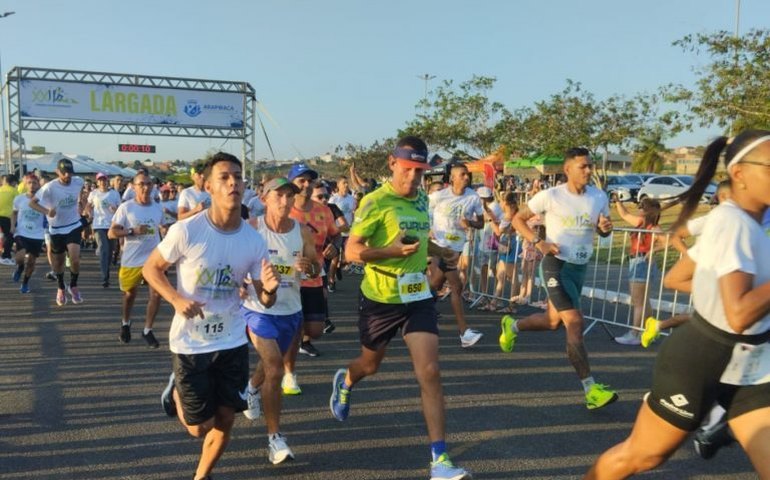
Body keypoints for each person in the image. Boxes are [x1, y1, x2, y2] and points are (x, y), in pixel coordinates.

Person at [585, 129, 770, 479]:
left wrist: (710, 289)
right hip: (702, 358)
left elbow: (679, 277)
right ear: (740, 174)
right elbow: (740, 313)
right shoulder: (730, 223)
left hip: (752, 364)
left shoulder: (749, 224)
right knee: (640, 457)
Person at [329, 136, 471, 480]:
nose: (412, 178)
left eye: (419, 171)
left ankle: (440, 459)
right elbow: (351, 252)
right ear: (393, 164)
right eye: (407, 169)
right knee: (370, 365)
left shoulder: (422, 198)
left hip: (417, 297)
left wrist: (440, 252)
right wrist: (390, 252)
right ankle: (346, 381)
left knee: (430, 371)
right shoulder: (375, 202)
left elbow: (419, 241)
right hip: (379, 298)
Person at [143, 152, 279, 480]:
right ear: (207, 186)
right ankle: (176, 390)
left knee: (226, 419)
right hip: (190, 342)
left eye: (238, 176)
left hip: (231, 338)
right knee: (197, 428)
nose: (233, 182)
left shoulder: (252, 239)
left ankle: (201, 476)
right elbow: (151, 268)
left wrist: (270, 291)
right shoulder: (186, 230)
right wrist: (176, 299)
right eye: (224, 177)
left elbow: (264, 298)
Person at [502, 147, 618, 409]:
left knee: (553, 321)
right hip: (556, 265)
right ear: (568, 170)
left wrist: (605, 229)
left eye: (590, 166)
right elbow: (518, 220)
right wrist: (538, 242)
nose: (589, 170)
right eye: (583, 166)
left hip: (579, 268)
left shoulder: (599, 197)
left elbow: (604, 231)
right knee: (575, 322)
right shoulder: (550, 196)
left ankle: (512, 326)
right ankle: (591, 390)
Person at [240, 177, 318, 464]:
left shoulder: (302, 231)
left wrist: (310, 267)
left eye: (290, 196)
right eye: (279, 196)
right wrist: (239, 282)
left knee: (267, 365)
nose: (285, 202)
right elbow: (235, 264)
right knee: (274, 367)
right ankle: (275, 439)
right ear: (264, 199)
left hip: (291, 310)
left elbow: (315, 268)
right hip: (257, 308)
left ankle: (250, 388)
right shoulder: (251, 229)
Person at [284, 163, 341, 394]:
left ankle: (295, 344)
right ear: (292, 184)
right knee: (295, 327)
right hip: (288, 279)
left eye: (310, 181)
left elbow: (336, 236)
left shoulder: (323, 210)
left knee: (315, 330)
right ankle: (288, 374)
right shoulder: (284, 209)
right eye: (301, 181)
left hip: (314, 277)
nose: (306, 186)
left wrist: (334, 248)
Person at [428, 162, 484, 348]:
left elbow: (481, 223)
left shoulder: (473, 197)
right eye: (462, 174)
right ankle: (464, 333)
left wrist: (470, 223)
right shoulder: (438, 196)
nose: (466, 177)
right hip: (441, 246)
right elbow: (424, 214)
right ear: (452, 178)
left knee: (435, 284)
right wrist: (428, 230)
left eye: (467, 174)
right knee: (456, 285)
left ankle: (412, 312)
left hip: (457, 247)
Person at [109, 172, 166, 348]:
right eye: (141, 184)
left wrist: (165, 232)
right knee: (129, 295)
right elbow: (111, 233)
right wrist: (132, 231)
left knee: (156, 294)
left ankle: (147, 330)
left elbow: (161, 228)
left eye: (149, 184)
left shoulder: (157, 207)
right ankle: (125, 323)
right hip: (132, 259)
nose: (146, 187)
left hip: (153, 259)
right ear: (133, 187)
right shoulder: (126, 208)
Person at [28, 159, 86, 306]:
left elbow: (81, 194)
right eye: (64, 173)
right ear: (57, 172)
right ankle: (61, 287)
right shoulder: (49, 187)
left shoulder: (78, 181)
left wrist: (82, 204)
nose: (68, 175)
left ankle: (73, 285)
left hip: (73, 225)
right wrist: (47, 211)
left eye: (70, 172)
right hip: (56, 229)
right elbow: (32, 203)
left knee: (75, 258)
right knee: (58, 262)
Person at [612, 197, 664, 346]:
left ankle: (634, 333)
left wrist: (652, 251)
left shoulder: (654, 228)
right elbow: (624, 214)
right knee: (643, 301)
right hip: (636, 261)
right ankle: (647, 330)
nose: (639, 209)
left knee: (638, 301)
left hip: (642, 262)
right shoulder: (639, 223)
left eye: (642, 206)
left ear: (649, 211)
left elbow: (668, 242)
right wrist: (617, 201)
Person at [10, 174, 46, 293]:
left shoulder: (43, 200)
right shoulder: (19, 199)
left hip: (37, 234)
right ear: (25, 184)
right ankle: (20, 268)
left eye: (34, 183)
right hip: (22, 232)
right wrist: (12, 226)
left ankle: (25, 283)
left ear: (38, 185)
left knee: (31, 261)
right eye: (29, 183)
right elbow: (14, 213)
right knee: (19, 257)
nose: (31, 185)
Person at [87, 172, 121, 288]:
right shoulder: (93, 194)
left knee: (110, 251)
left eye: (104, 180)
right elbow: (88, 205)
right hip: (99, 225)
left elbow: (120, 210)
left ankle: (106, 272)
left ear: (107, 181)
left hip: (111, 225)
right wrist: (88, 212)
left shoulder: (114, 194)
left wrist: (115, 209)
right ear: (97, 182)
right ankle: (104, 277)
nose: (102, 182)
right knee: (103, 249)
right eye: (100, 180)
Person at [0, 174, 19, 265]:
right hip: (7, 217)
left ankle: (6, 254)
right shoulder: (14, 191)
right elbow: (18, 206)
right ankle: (5, 256)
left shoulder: (0, 189)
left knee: (5, 236)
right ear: (13, 182)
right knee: (10, 236)